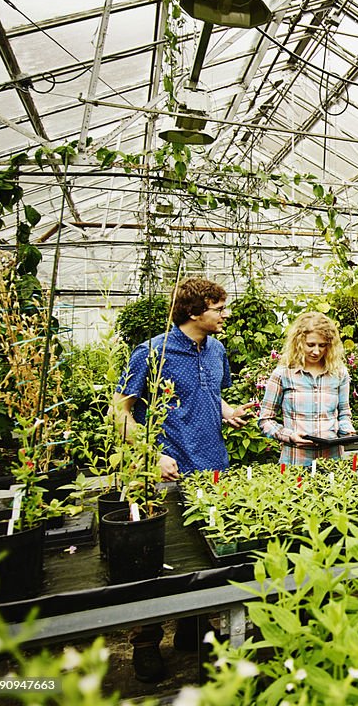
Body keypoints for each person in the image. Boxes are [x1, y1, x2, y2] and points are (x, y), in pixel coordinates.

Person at [112, 278, 252, 683]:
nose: (226, 314)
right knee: (157, 561)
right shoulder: (153, 352)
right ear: (195, 313)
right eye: (219, 308)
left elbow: (209, 392)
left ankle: (194, 628)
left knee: (205, 554)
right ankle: (146, 641)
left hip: (212, 466)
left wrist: (225, 411)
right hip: (167, 471)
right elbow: (120, 410)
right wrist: (151, 455)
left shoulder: (217, 349)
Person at [258, 311, 355, 463]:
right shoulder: (284, 374)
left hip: (332, 460)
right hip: (296, 459)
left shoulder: (338, 373)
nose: (316, 351)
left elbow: (344, 413)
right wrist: (289, 435)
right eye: (310, 345)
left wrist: (347, 431)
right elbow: (265, 420)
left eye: (322, 345)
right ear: (299, 342)